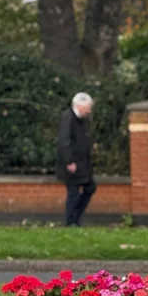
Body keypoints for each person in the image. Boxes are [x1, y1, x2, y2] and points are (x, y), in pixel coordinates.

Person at [56, 93, 96, 227]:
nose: (89, 111)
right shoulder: (68, 118)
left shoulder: (81, 119)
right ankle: (71, 221)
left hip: (82, 163)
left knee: (90, 187)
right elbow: (64, 141)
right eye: (87, 108)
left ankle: (75, 218)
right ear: (79, 106)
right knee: (73, 193)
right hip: (72, 164)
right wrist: (69, 161)